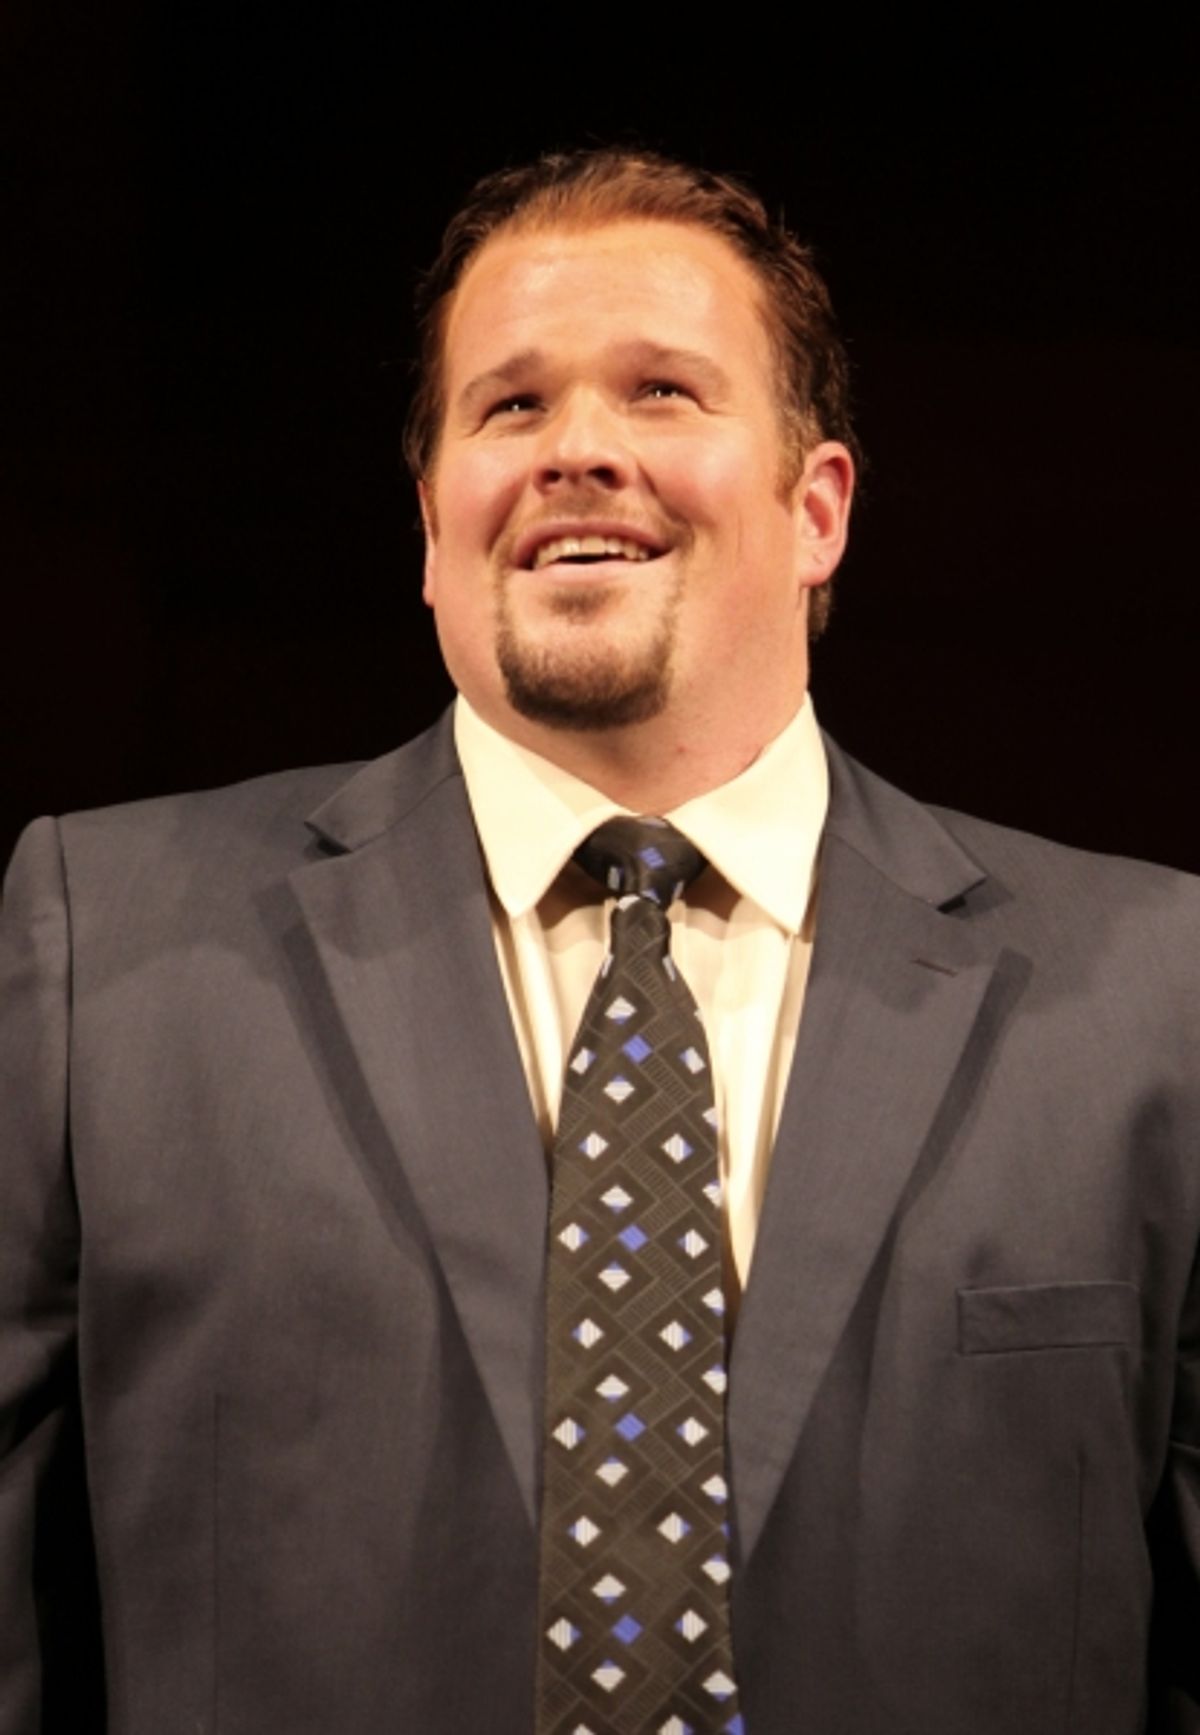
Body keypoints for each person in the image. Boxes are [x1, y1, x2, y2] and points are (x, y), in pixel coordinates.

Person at [1, 147, 1197, 1735]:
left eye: (661, 394)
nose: (578, 451)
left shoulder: (1155, 995)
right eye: (509, 407)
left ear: (818, 506)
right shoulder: (106, 953)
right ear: (433, 524)